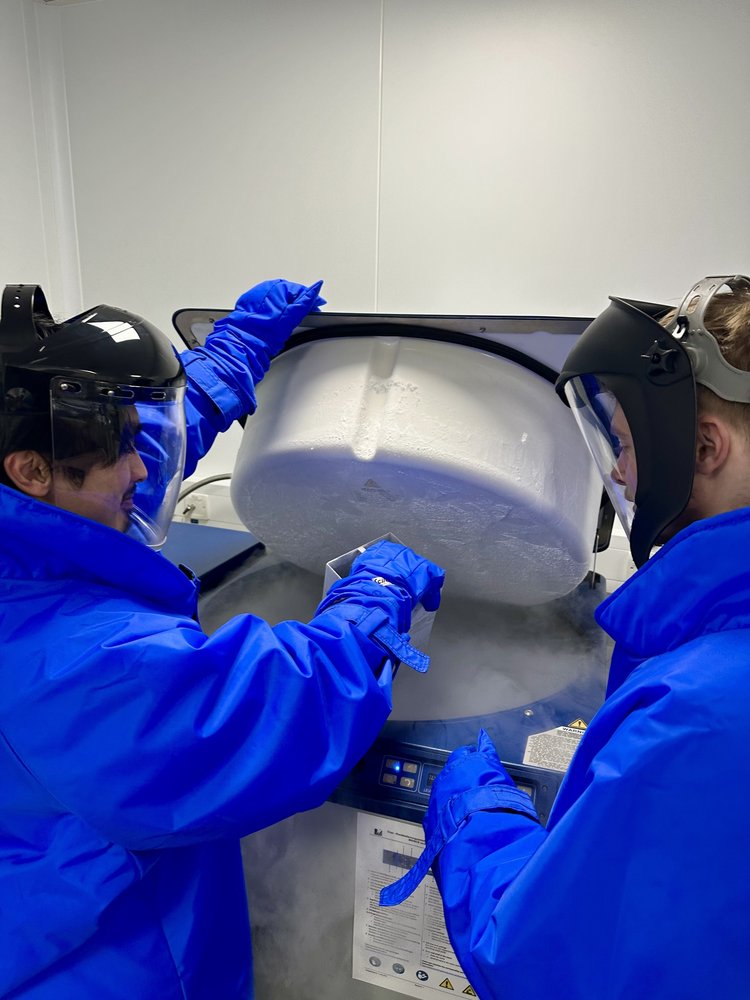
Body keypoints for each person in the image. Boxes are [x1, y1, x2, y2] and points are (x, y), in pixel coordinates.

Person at [0, 279, 445, 999]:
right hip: (103, 972)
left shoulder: (35, 524)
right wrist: (376, 601)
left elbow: (132, 459)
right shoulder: (66, 662)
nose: (143, 470)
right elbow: (278, 708)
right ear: (31, 469)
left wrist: (224, 365)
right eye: (121, 454)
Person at [380, 274, 750, 999]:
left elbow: (543, 959)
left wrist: (475, 813)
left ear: (705, 445)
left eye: (622, 444)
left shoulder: (701, 715)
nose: (616, 471)